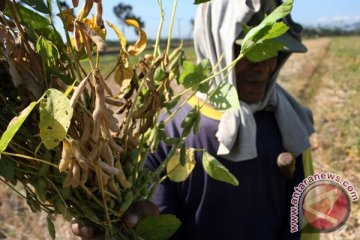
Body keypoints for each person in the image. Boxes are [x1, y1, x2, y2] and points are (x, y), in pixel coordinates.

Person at [72, 0, 317, 239]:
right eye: (250, 51)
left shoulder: (289, 124)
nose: (264, 66)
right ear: (215, 46)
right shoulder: (168, 133)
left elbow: (304, 218)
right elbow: (160, 223)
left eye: (273, 50)